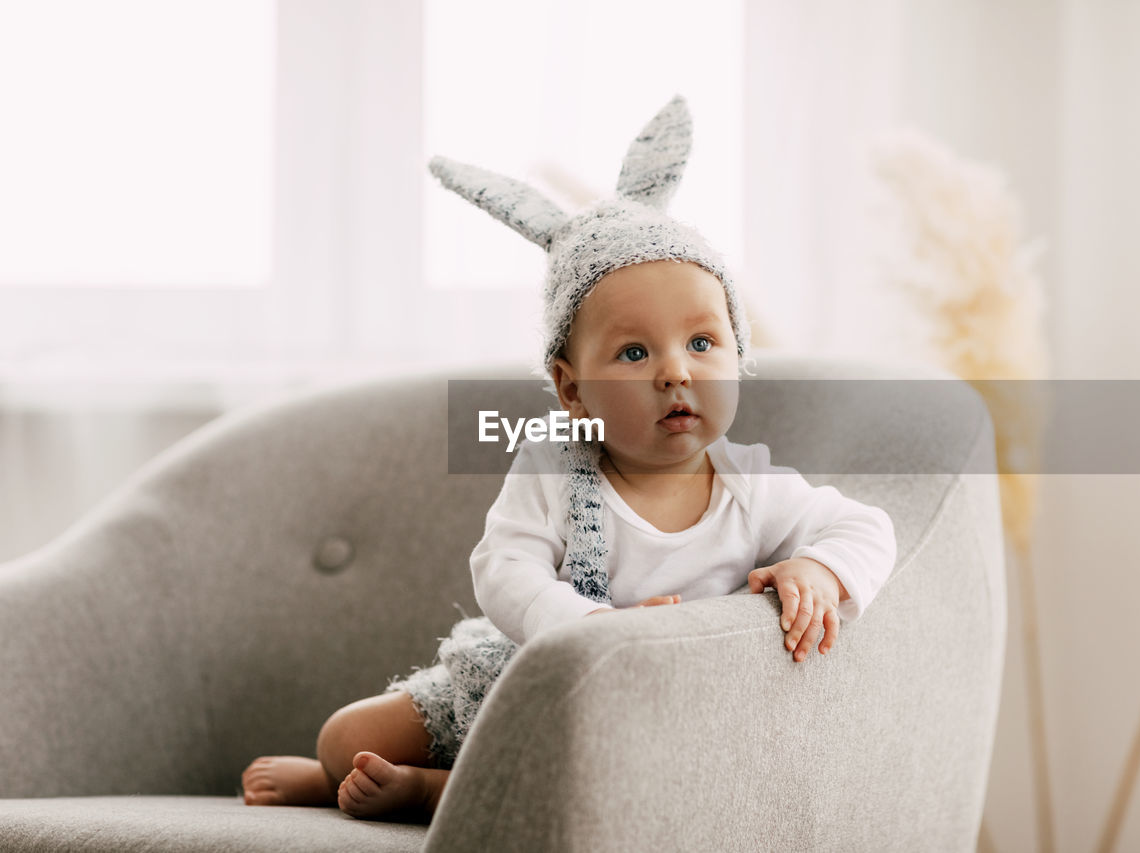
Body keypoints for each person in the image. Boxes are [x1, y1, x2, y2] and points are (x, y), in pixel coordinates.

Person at [241, 94, 897, 822]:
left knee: (589, 788)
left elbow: (869, 529)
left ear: (739, 357)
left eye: (703, 343)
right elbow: (505, 568)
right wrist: (585, 626)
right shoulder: (557, 468)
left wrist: (819, 567)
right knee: (347, 738)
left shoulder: (753, 488)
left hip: (652, 719)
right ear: (572, 388)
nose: (675, 371)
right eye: (635, 351)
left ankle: (430, 794)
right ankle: (338, 775)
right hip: (534, 674)